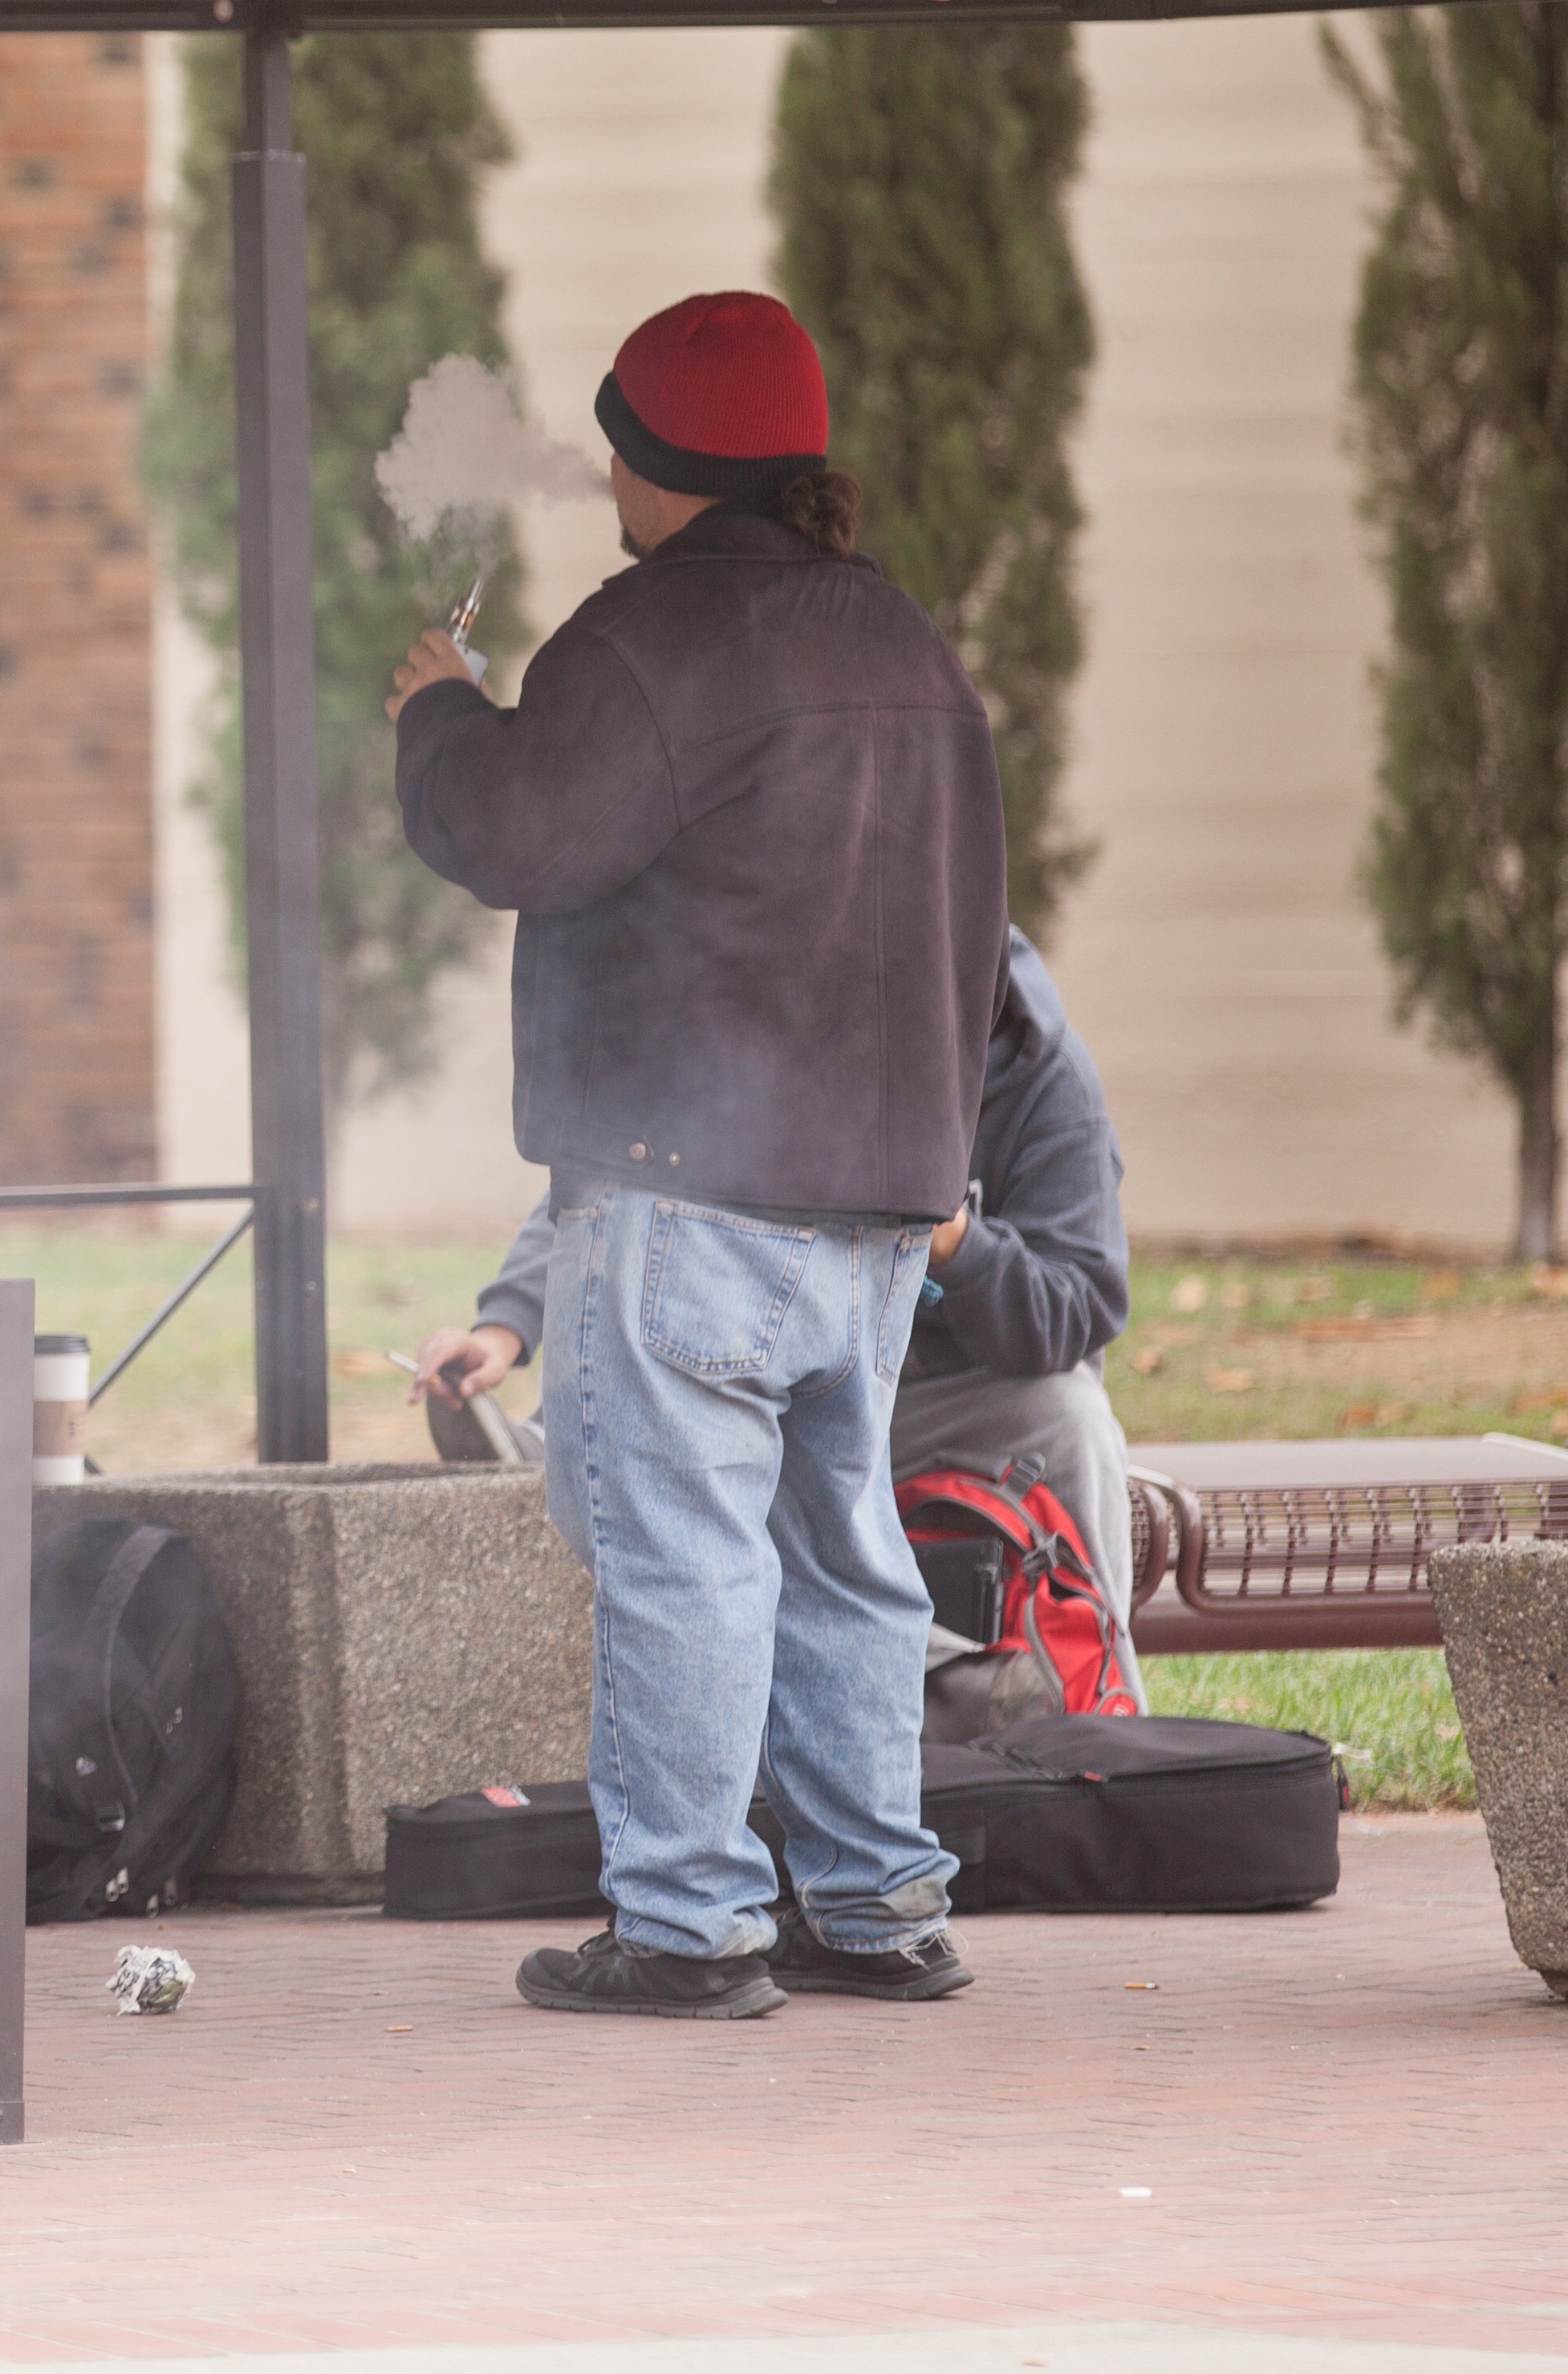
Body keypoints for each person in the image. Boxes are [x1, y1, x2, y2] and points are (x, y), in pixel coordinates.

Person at [387, 290, 1006, 2022]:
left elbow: (520, 829)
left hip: (694, 1192)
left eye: (618, 448)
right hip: (881, 1201)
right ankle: (878, 1904)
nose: (600, 477)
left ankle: (683, 1921)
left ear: (659, 466)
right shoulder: (907, 644)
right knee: (845, 1555)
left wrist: (441, 712)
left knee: (687, 1559)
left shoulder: (645, 638)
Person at [413, 925, 1144, 1713]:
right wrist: (504, 1328)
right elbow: (614, 1176)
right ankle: (551, 1453)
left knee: (1072, 1415)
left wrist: (951, 1242)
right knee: (673, 1413)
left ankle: (1103, 1709)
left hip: (959, 1392)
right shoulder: (779, 1028)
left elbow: (1078, 1304)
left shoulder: (1042, 1077)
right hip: (788, 1374)